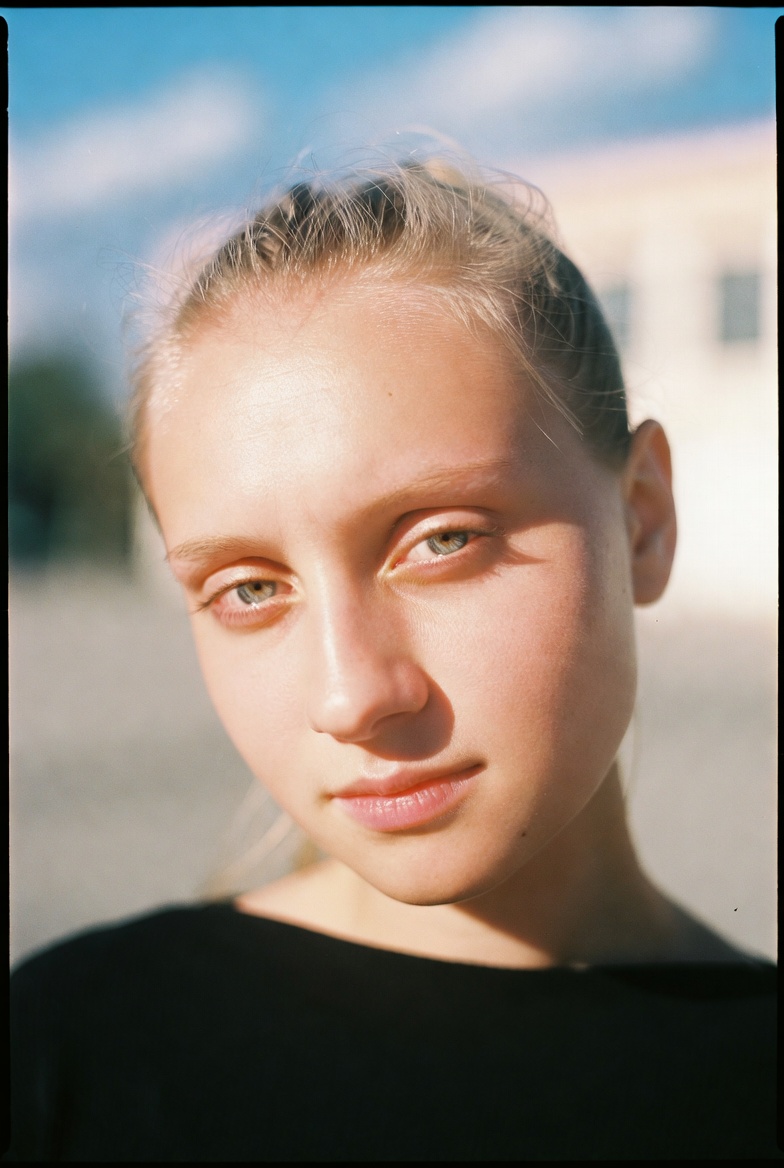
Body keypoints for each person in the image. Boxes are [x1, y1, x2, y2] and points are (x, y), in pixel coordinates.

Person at [6, 157, 778, 1162]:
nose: (350, 694)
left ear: (641, 522)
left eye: (443, 540)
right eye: (249, 588)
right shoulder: (62, 1056)